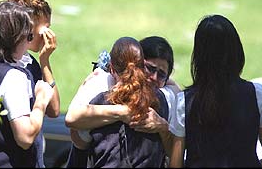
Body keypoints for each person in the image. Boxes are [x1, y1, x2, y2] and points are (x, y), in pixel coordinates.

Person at [65, 36, 180, 167]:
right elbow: (72, 121)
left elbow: (80, 139)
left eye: (162, 74)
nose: (154, 78)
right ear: (138, 62)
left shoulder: (165, 98)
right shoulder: (101, 83)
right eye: (150, 68)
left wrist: (163, 127)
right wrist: (123, 112)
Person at [178, 14, 262, 167]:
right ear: (236, 50)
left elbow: (175, 164)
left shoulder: (183, 101)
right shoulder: (256, 94)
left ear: (199, 56)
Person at [0, 1, 53, 167]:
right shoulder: (12, 77)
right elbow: (25, 138)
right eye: (29, 36)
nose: (29, 43)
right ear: (15, 38)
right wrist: (41, 100)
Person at [6, 0, 60, 118]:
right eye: (45, 28)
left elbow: (54, 110)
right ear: (28, 27)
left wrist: (44, 61)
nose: (48, 34)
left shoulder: (30, 64)